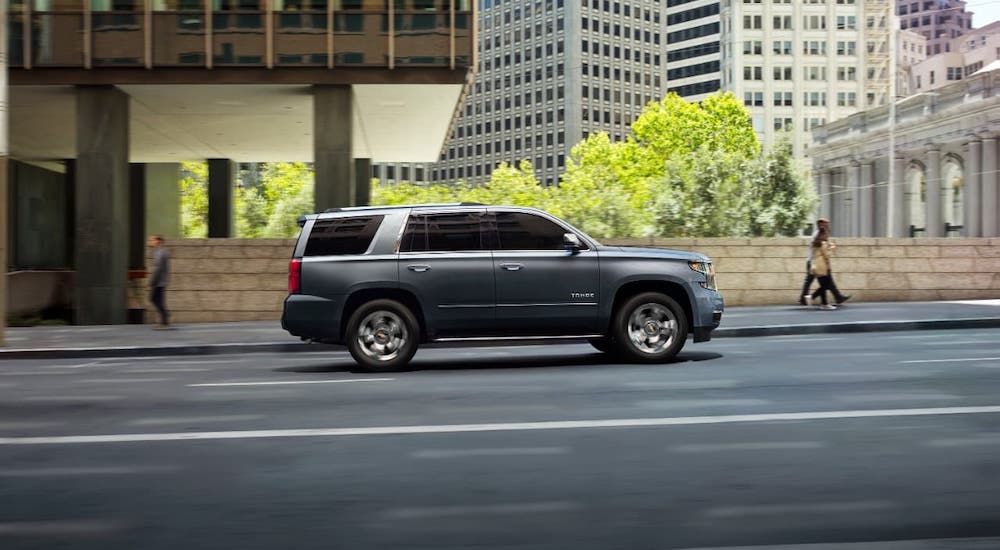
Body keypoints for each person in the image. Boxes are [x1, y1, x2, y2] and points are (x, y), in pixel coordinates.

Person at [799, 217, 850, 306]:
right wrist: (832, 248)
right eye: (825, 223)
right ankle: (810, 298)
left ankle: (826, 300)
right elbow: (825, 253)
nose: (826, 224)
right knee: (826, 283)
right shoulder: (821, 235)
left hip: (813, 262)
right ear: (821, 224)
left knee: (822, 282)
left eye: (826, 223)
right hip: (818, 263)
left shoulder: (818, 234)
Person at [805, 228, 845, 310]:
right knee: (827, 285)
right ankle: (812, 296)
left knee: (823, 285)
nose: (828, 236)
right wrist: (832, 248)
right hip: (822, 265)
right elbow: (827, 255)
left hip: (815, 264)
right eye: (827, 234)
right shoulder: (823, 243)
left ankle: (824, 303)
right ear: (823, 235)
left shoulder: (815, 243)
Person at [148, 235, 171, 329]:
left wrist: (152, 281)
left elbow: (158, 268)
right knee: (158, 300)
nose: (151, 242)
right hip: (161, 280)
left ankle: (164, 318)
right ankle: (164, 318)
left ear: (158, 241)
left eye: (152, 240)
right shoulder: (160, 252)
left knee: (154, 299)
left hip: (159, 281)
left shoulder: (160, 252)